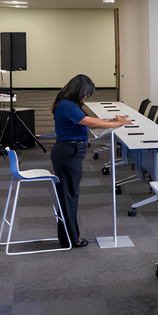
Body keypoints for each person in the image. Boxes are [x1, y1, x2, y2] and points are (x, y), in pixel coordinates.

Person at [51, 74, 131, 247]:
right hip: (68, 152)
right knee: (69, 196)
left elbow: (91, 124)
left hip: (70, 151)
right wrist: (116, 124)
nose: (86, 98)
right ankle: (70, 240)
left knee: (69, 195)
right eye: (86, 94)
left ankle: (67, 238)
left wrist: (112, 121)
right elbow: (88, 121)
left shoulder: (69, 104)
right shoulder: (67, 105)